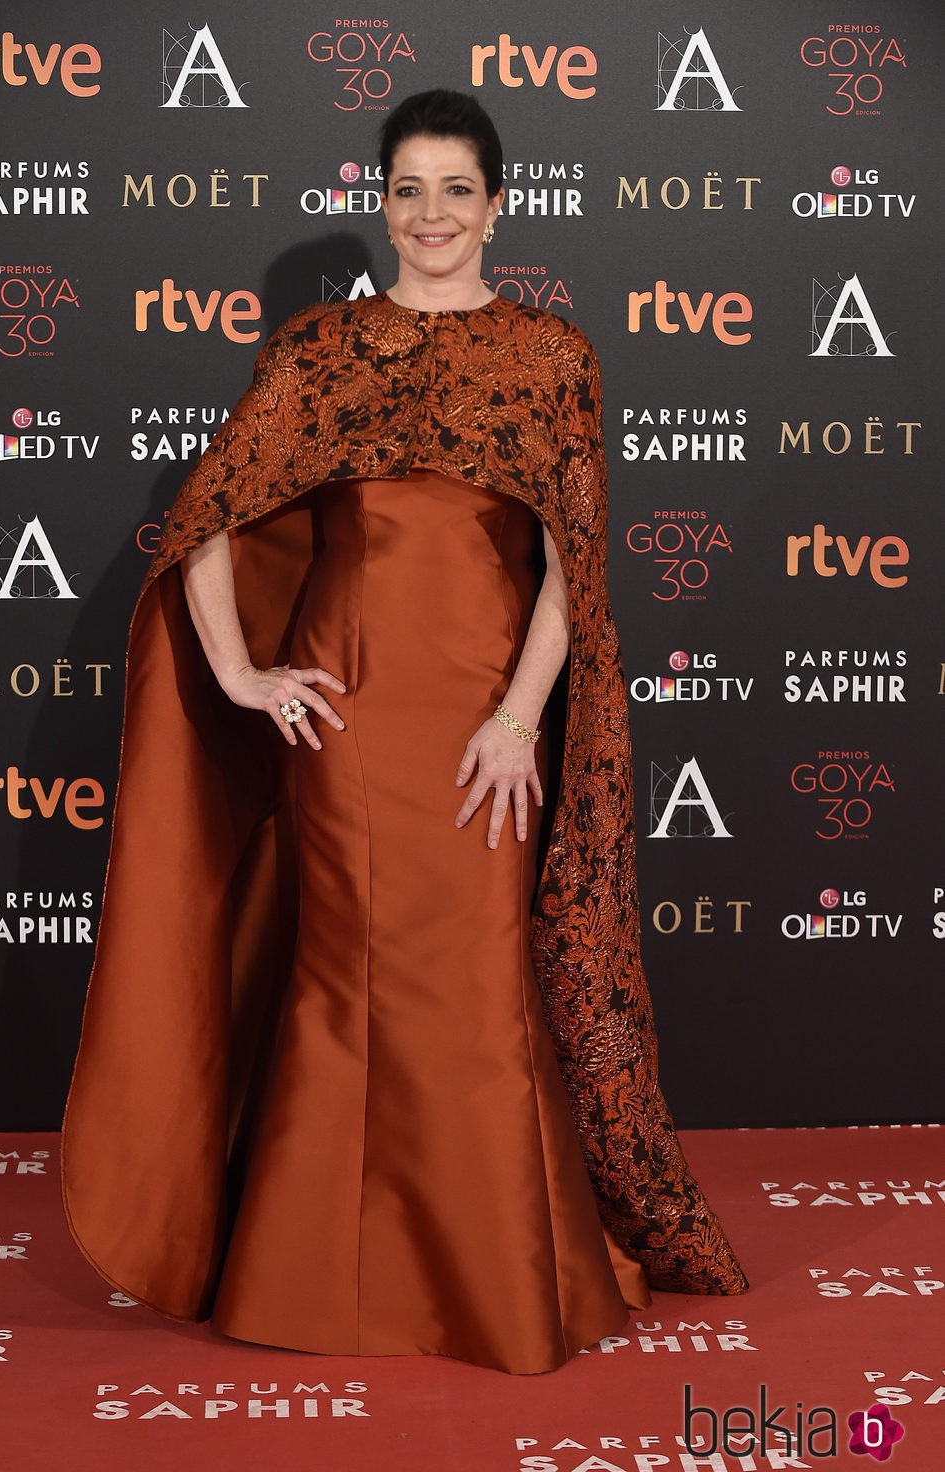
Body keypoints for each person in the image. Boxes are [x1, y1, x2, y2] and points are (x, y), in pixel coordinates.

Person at [61, 88, 747, 1376]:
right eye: (407, 189)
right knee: (343, 988)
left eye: (455, 189)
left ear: (497, 203)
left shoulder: (553, 354)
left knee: (479, 993)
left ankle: (494, 1287)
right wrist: (248, 672)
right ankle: (306, 1282)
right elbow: (203, 521)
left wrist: (516, 719)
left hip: (487, 724)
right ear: (378, 201)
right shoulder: (321, 352)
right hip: (347, 722)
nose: (431, 214)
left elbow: (571, 572)